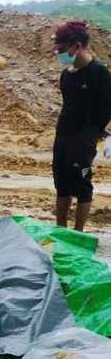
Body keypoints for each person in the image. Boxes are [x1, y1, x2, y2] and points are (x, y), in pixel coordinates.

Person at [52, 21, 111, 232]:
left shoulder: (99, 74)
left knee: (82, 184)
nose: (58, 53)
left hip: (84, 138)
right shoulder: (66, 75)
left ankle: (78, 233)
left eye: (61, 49)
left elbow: (106, 109)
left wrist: (97, 135)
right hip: (63, 135)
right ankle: (61, 230)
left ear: (76, 46)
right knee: (61, 185)